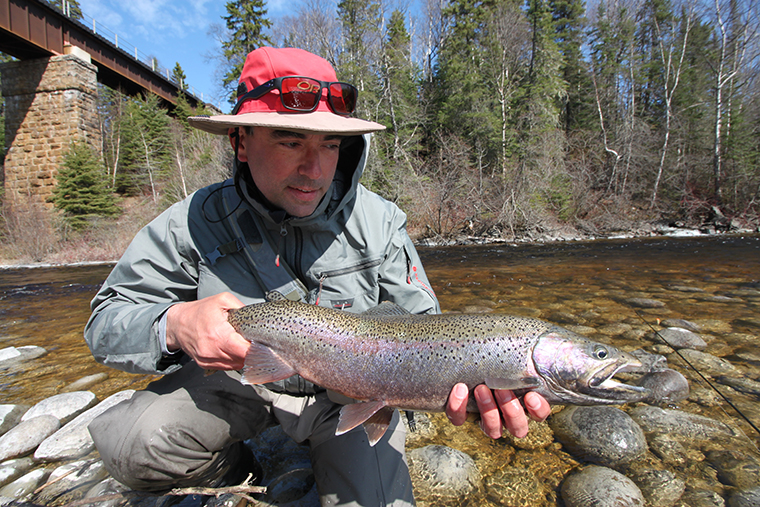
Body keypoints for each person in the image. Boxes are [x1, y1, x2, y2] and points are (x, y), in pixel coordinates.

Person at [84, 47, 551, 506]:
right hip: (242, 382)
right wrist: (176, 324)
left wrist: (472, 379)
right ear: (241, 141)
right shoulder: (189, 222)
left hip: (349, 394)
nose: (315, 169)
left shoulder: (381, 221)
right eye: (290, 141)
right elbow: (106, 322)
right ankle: (240, 471)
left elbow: (427, 329)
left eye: (330, 144)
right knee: (133, 445)